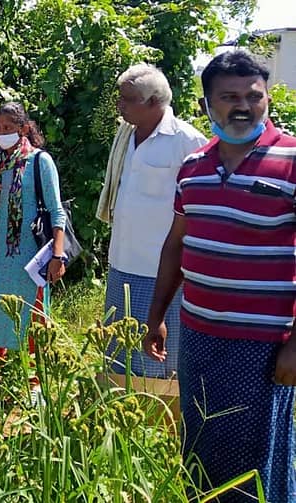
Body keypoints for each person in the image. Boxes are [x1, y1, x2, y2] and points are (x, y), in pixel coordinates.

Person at [144, 50, 296, 501]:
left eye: (254, 96)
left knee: (254, 462)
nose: (243, 106)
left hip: (263, 345)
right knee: (200, 446)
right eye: (230, 97)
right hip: (199, 336)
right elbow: (176, 245)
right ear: (207, 104)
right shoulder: (193, 168)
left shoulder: (291, 160)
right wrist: (155, 316)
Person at [97, 64, 207, 378]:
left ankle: (158, 402)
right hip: (122, 260)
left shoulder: (186, 140)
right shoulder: (125, 135)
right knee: (119, 347)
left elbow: (199, 207)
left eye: (128, 99)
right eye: (120, 97)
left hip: (160, 268)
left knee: (157, 356)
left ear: (154, 101)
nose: (120, 105)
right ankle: (117, 395)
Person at [0, 103, 66, 359]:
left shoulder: (39, 161)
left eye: (8, 127)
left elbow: (56, 211)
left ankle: (35, 376)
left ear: (23, 128)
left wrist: (57, 255)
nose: (1, 132)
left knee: (32, 316)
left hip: (29, 255)